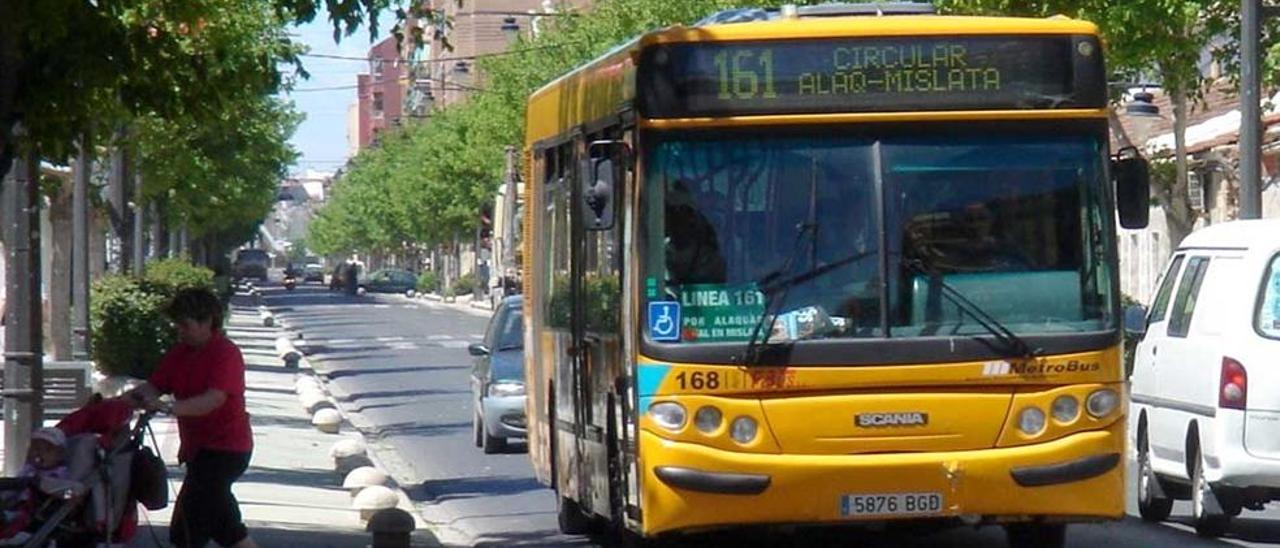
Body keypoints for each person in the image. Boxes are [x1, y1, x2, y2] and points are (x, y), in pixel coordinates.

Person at [127, 288, 256, 548]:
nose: (180, 332)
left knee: (187, 529)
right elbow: (154, 386)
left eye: (185, 325)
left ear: (207, 321)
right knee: (226, 527)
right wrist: (119, 403)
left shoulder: (225, 353)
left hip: (225, 450)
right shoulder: (180, 353)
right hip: (197, 451)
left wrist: (169, 408)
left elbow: (214, 399)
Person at [0, 427, 70, 539]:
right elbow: (15, 485)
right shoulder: (28, 469)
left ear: (60, 455)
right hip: (15, 505)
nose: (40, 453)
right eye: (36, 448)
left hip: (37, 510)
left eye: (47, 450)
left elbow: (65, 492)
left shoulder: (60, 473)